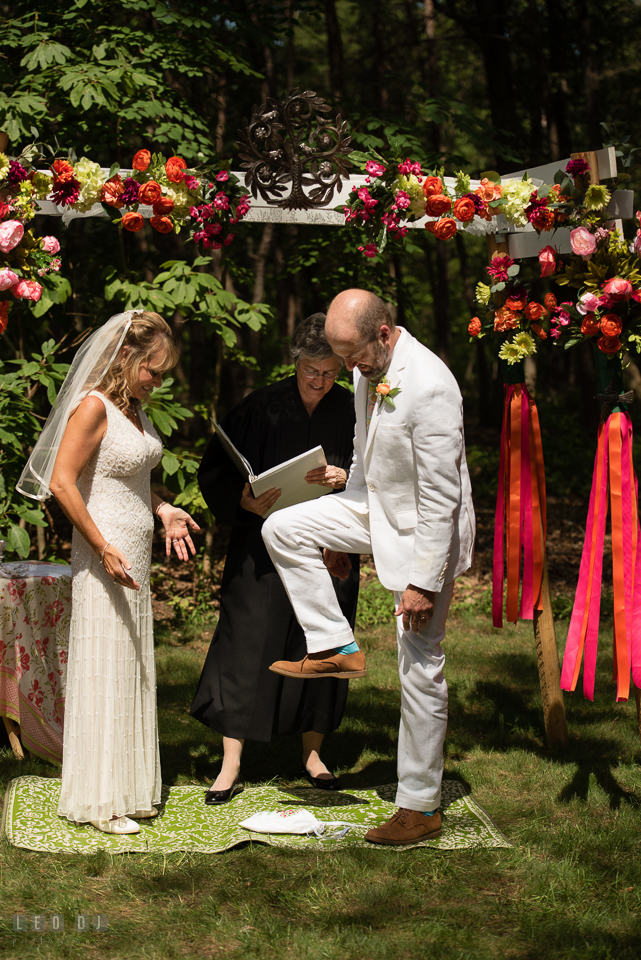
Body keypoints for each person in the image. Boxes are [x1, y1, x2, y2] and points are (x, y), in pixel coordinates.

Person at [262, 289, 475, 845]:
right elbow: (362, 451)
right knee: (281, 527)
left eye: (352, 355)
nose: (347, 369)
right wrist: (340, 531)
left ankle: (421, 805)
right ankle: (334, 645)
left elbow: (440, 497)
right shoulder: (366, 368)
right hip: (376, 508)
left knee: (419, 664)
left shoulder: (430, 385)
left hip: (426, 533)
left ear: (383, 334)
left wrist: (423, 582)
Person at [19, 310, 200, 835]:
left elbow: (131, 482)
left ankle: (128, 787)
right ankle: (98, 800)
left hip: (134, 558)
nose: (158, 381)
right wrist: (102, 548)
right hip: (104, 561)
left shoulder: (135, 411)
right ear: (127, 358)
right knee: (104, 665)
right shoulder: (94, 407)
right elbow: (62, 482)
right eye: (153, 370)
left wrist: (163, 510)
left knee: (130, 667)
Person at [190, 313, 359, 803]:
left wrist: (344, 477)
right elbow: (216, 468)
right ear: (296, 361)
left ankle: (312, 754)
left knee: (323, 643)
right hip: (260, 544)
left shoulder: (353, 410)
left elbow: (377, 472)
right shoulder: (261, 406)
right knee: (246, 641)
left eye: (330, 372)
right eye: (312, 371)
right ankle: (231, 762)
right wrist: (241, 499)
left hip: (330, 545)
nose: (321, 381)